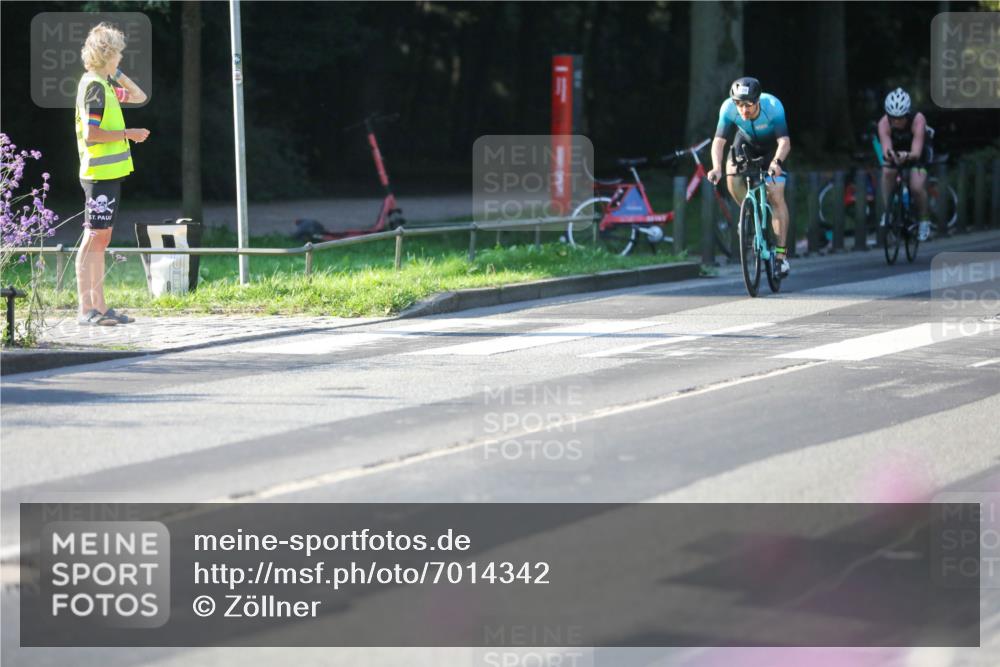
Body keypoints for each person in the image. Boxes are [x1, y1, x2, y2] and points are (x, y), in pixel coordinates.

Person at [74, 22, 149, 326]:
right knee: (93, 237)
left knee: (100, 239)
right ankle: (86, 309)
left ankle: (100, 307)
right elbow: (92, 134)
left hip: (108, 174)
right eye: (117, 53)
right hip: (98, 175)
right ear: (106, 54)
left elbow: (140, 95)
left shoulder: (103, 84)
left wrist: (113, 72)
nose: (121, 58)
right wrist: (128, 133)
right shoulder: (94, 87)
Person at [707, 77, 792, 277]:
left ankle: (781, 257)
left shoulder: (773, 107)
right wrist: (716, 168)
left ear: (758, 100)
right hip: (745, 145)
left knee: (775, 194)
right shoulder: (728, 108)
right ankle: (748, 214)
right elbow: (719, 142)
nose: (743, 110)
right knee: (730, 177)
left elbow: (784, 142)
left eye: (748, 105)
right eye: (739, 105)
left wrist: (776, 163)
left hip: (772, 150)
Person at [877, 87, 932, 241]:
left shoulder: (918, 120)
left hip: (918, 150)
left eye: (900, 117)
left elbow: (916, 153)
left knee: (916, 186)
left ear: (907, 114)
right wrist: (891, 155)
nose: (896, 121)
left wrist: (906, 156)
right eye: (893, 117)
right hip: (898, 148)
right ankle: (888, 211)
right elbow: (886, 149)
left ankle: (924, 220)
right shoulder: (883, 123)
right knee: (888, 171)